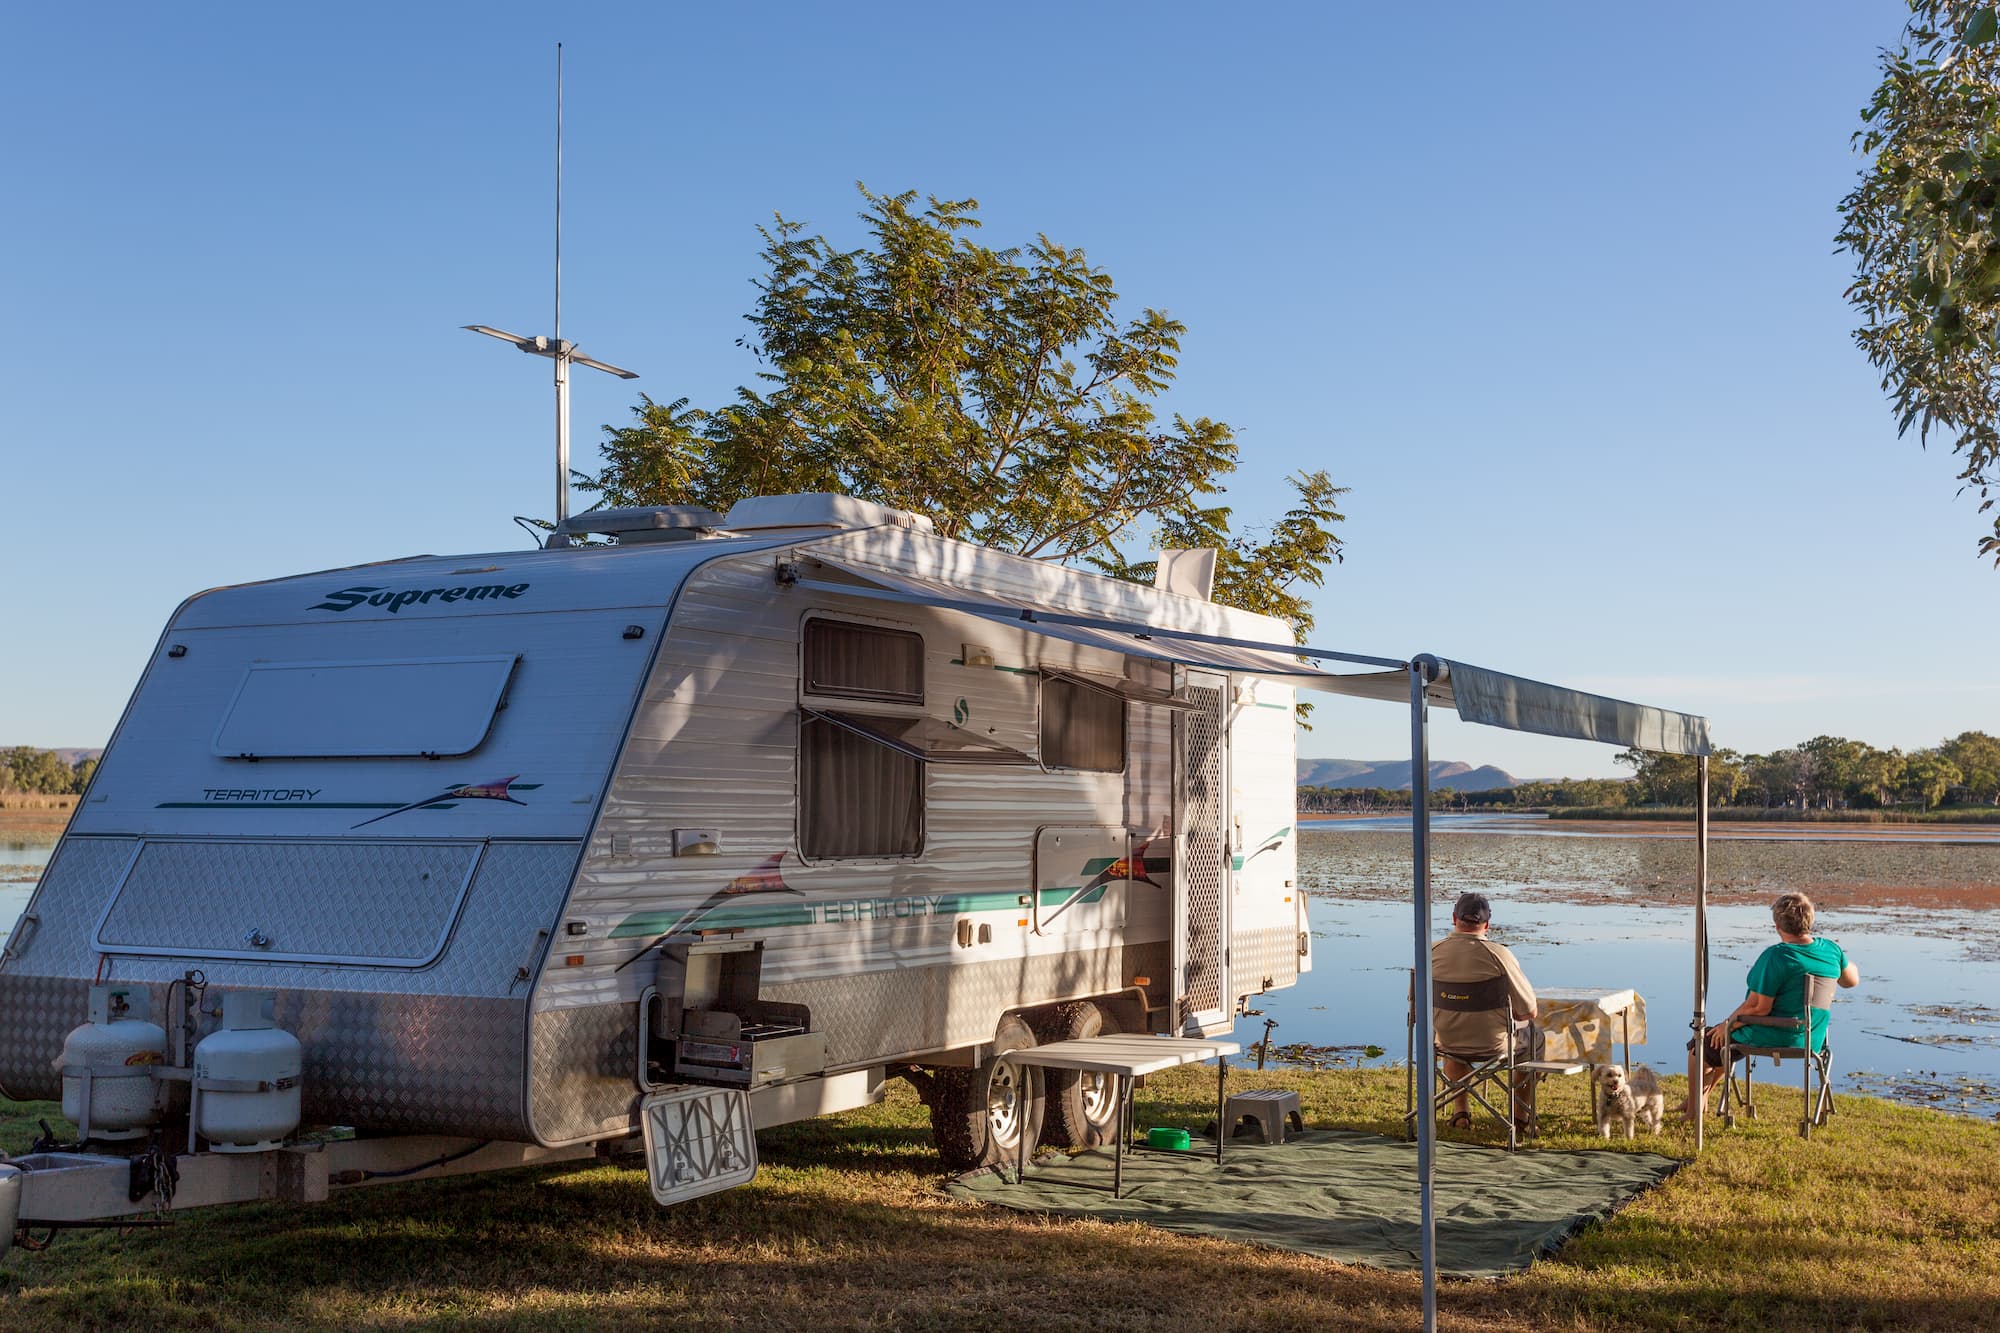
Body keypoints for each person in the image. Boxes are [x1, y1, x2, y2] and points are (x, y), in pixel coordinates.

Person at [1684, 891, 1860, 1118]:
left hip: (1774, 1035)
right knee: (1720, 1040)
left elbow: (1759, 1008)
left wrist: (1726, 1024)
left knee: (1702, 1044)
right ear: (1811, 920)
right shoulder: (1831, 949)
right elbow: (1851, 981)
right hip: (1811, 1038)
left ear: (1778, 925)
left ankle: (1692, 1111)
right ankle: (1699, 1099)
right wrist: (1837, 960)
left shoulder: (1777, 956)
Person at [1431, 891, 1540, 1130]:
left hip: (1446, 1042)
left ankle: (1461, 1112)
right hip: (1494, 1045)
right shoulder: (1499, 955)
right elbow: (1529, 1012)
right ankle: (1520, 1116)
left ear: (1454, 918)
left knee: (1452, 1038)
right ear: (1487, 924)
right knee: (1536, 1038)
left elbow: (1417, 1007)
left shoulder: (1430, 953)